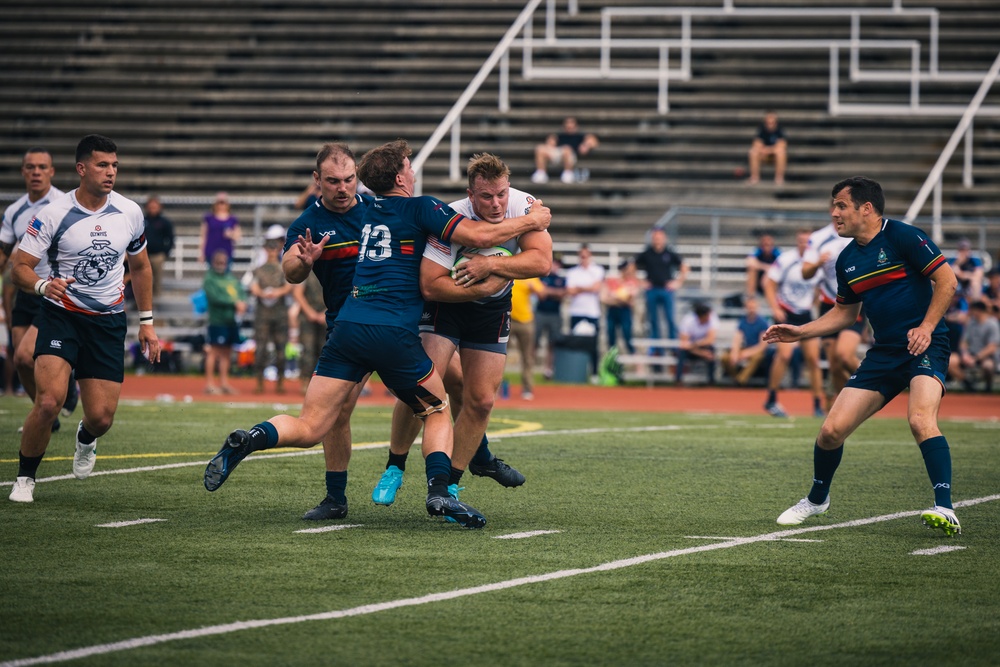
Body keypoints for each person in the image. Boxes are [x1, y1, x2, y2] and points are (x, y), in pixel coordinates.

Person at [203, 139, 551, 530]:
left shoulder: (365, 213)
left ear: (362, 182)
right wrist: (532, 221)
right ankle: (439, 489)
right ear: (402, 176)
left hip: (347, 331)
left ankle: (252, 437)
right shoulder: (420, 207)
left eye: (350, 179)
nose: (343, 187)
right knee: (435, 409)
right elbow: (482, 238)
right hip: (392, 333)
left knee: (312, 424)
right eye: (410, 165)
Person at [767, 176, 961, 537]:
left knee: (920, 419)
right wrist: (800, 332)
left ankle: (944, 507)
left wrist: (927, 327)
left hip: (926, 345)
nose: (834, 213)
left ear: (866, 208)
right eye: (834, 205)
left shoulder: (903, 236)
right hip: (884, 353)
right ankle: (817, 499)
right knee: (830, 431)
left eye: (841, 205)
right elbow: (845, 315)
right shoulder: (846, 261)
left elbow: (947, 282)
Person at [373, 153, 551, 513]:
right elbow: (431, 287)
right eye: (487, 197)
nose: (497, 203)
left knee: (482, 400)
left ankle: (449, 485)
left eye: (501, 193)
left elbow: (542, 262)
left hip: (493, 311)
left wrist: (491, 264)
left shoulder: (524, 205)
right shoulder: (451, 216)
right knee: (422, 384)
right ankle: (395, 464)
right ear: (471, 194)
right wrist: (481, 286)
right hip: (447, 306)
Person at [8, 134, 160, 503]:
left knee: (102, 418)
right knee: (48, 402)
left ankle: (85, 438)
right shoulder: (53, 214)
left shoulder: (130, 212)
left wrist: (147, 321)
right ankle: (25, 478)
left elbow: (140, 267)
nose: (111, 173)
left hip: (107, 322)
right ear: (81, 169)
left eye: (114, 166)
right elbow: (19, 267)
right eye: (102, 165)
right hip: (61, 315)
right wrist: (44, 286)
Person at [0, 147, 73, 432]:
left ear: (52, 172)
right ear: (23, 172)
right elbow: (4, 253)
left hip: (52, 293)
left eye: (42, 167)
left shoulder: (64, 205)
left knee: (23, 354)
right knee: (22, 363)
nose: (36, 172)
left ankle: (66, 386)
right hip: (25, 292)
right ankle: (46, 415)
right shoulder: (15, 211)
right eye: (30, 167)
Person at [802, 221, 866, 408]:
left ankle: (876, 385)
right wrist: (817, 263)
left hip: (855, 304)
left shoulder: (860, 234)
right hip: (829, 305)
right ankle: (843, 405)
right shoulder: (819, 239)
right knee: (835, 365)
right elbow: (805, 272)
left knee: (844, 355)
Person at [762, 229, 825, 418]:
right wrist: (775, 308)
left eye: (807, 242)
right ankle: (771, 399)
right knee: (784, 355)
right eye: (801, 241)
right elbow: (769, 283)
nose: (804, 245)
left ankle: (817, 404)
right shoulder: (785, 260)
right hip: (785, 313)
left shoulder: (817, 264)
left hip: (805, 314)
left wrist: (815, 305)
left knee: (813, 360)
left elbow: (819, 288)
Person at [249, 225, 294, 394]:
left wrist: (275, 292)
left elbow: (289, 287)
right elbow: (253, 286)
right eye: (269, 247)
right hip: (263, 314)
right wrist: (262, 293)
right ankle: (259, 382)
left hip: (280, 313)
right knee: (260, 349)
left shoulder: (283, 267)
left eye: (274, 248)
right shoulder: (259, 269)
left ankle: (280, 383)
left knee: (281, 349)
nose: (272, 251)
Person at [202, 248, 246, 395]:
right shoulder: (210, 279)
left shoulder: (231, 278)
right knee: (214, 352)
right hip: (217, 320)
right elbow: (215, 298)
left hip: (231, 321)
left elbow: (241, 293)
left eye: (223, 262)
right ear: (213, 263)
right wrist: (235, 303)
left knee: (227, 353)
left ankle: (224, 383)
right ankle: (209, 384)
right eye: (219, 262)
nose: (221, 265)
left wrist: (242, 303)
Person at [635, 228, 687, 342]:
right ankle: (656, 347)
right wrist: (641, 282)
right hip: (652, 289)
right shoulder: (647, 253)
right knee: (653, 319)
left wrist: (678, 282)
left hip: (666, 290)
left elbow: (684, 266)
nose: (657, 240)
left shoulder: (669, 253)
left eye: (659, 238)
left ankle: (673, 344)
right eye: (655, 238)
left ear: (664, 239)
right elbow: (631, 267)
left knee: (670, 318)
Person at [565, 244, 605, 378]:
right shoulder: (572, 272)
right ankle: (577, 372)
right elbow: (570, 291)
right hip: (576, 312)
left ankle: (594, 373)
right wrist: (587, 288)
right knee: (576, 344)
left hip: (592, 312)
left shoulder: (597, 270)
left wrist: (579, 288)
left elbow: (596, 288)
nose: (584, 258)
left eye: (586, 256)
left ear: (590, 256)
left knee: (593, 345)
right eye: (582, 256)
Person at [721, 294, 773, 386]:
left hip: (757, 350)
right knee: (725, 357)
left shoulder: (763, 323)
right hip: (746, 347)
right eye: (749, 307)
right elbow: (737, 339)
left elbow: (762, 346)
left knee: (756, 357)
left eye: (753, 307)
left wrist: (747, 353)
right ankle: (736, 378)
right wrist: (735, 352)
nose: (751, 309)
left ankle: (741, 381)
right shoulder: (743, 321)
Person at [531, 116, 599, 185]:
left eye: (571, 123)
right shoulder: (559, 136)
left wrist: (586, 145)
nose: (569, 125)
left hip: (571, 157)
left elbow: (593, 141)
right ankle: (541, 173)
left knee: (567, 149)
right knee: (540, 148)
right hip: (559, 155)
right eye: (567, 123)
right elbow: (551, 143)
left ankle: (568, 173)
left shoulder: (580, 136)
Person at [949, 300, 998, 392]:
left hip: (985, 356)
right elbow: (963, 342)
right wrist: (965, 354)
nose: (971, 312)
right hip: (970, 354)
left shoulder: (992, 323)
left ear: (978, 310)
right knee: (951, 360)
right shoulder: (971, 322)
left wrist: (976, 358)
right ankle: (968, 384)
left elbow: (992, 347)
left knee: (988, 365)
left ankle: (988, 387)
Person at [509, 276, 545, 399]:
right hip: (507, 318)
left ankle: (527, 388)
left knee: (527, 356)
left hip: (525, 320)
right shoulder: (508, 273)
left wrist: (533, 289)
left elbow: (542, 294)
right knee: (498, 354)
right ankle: (494, 388)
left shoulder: (530, 276)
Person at [293, 271, 326, 395]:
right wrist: (310, 312)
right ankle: (305, 381)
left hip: (326, 315)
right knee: (308, 349)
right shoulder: (307, 271)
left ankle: (321, 383)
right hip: (307, 317)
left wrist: (326, 312)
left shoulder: (330, 270)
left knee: (324, 350)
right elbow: (297, 293)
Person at [535, 253, 567, 379]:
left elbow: (562, 294)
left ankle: (548, 369)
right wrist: (554, 292)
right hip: (541, 312)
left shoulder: (561, 279)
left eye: (558, 263)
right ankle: (530, 367)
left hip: (554, 314)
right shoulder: (541, 277)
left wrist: (548, 291)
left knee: (552, 343)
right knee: (534, 342)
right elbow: (541, 293)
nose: (556, 265)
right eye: (554, 262)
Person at [601, 258, 641, 354]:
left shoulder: (632, 282)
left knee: (627, 335)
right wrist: (620, 299)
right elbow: (603, 298)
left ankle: (633, 358)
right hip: (613, 310)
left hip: (624, 311)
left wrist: (614, 297)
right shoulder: (612, 281)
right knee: (611, 337)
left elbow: (631, 300)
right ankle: (613, 361)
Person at [674, 302, 718, 384]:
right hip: (691, 349)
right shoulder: (688, 321)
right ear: (701, 316)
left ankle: (711, 381)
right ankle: (678, 380)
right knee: (682, 353)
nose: (709, 317)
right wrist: (701, 353)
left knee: (711, 352)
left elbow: (710, 340)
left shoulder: (712, 318)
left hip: (700, 346)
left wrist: (695, 345)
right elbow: (684, 344)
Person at [142, 195, 174, 298]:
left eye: (155, 206)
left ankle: (156, 301)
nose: (153, 208)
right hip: (143, 255)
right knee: (144, 279)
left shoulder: (164, 222)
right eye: (151, 206)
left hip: (157, 256)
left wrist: (165, 252)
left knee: (157, 279)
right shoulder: (142, 221)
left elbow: (170, 238)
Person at [198, 191, 241, 267]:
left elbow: (238, 236)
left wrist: (230, 234)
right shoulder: (209, 218)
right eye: (219, 203)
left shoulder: (232, 219)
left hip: (226, 252)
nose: (221, 205)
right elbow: (203, 236)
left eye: (223, 203)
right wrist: (201, 253)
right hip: (211, 251)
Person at [747, 110, 787, 186]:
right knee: (753, 152)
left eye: (772, 120)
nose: (770, 122)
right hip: (763, 155)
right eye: (768, 120)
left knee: (781, 152)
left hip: (774, 155)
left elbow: (782, 144)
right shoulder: (761, 130)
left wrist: (769, 150)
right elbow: (756, 143)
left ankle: (779, 178)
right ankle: (754, 177)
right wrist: (764, 150)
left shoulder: (779, 130)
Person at [744, 233, 780, 297]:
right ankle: (751, 297)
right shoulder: (757, 251)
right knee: (751, 269)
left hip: (772, 280)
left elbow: (782, 265)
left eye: (768, 242)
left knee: (774, 273)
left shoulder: (777, 252)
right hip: (759, 280)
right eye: (765, 243)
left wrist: (769, 271)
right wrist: (766, 268)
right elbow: (750, 262)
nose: (767, 244)